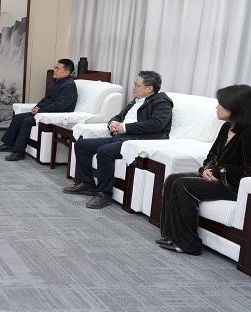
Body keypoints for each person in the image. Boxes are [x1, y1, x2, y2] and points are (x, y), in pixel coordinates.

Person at [157, 84, 251, 255]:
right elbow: (212, 155)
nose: (216, 107)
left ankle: (188, 244)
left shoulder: (248, 133)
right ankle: (172, 235)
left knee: (182, 184)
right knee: (172, 179)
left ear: (235, 107)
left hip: (234, 187)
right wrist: (206, 170)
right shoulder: (226, 127)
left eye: (221, 104)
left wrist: (220, 172)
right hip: (219, 180)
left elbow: (249, 170)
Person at [64, 70, 173, 209]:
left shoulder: (162, 103)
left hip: (137, 141)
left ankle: (104, 194)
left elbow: (157, 124)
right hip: (121, 137)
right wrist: (112, 124)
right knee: (82, 145)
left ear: (149, 88)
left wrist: (125, 128)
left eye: (137, 85)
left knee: (104, 151)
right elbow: (119, 116)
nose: (133, 87)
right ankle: (87, 184)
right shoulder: (136, 101)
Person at [0, 58, 78, 161]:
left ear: (67, 72)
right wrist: (36, 107)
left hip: (54, 115)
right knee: (18, 117)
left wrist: (40, 110)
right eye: (55, 68)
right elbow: (46, 99)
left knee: (27, 121)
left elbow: (60, 106)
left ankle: (19, 152)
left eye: (57, 68)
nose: (54, 70)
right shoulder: (57, 82)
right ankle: (9, 144)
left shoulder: (69, 86)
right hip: (44, 112)